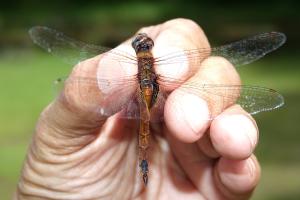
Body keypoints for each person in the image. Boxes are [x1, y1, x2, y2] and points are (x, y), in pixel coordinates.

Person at [15, 18, 260, 200]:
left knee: (191, 102)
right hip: (151, 94)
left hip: (149, 101)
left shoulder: (137, 66)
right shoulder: (150, 66)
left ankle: (148, 158)